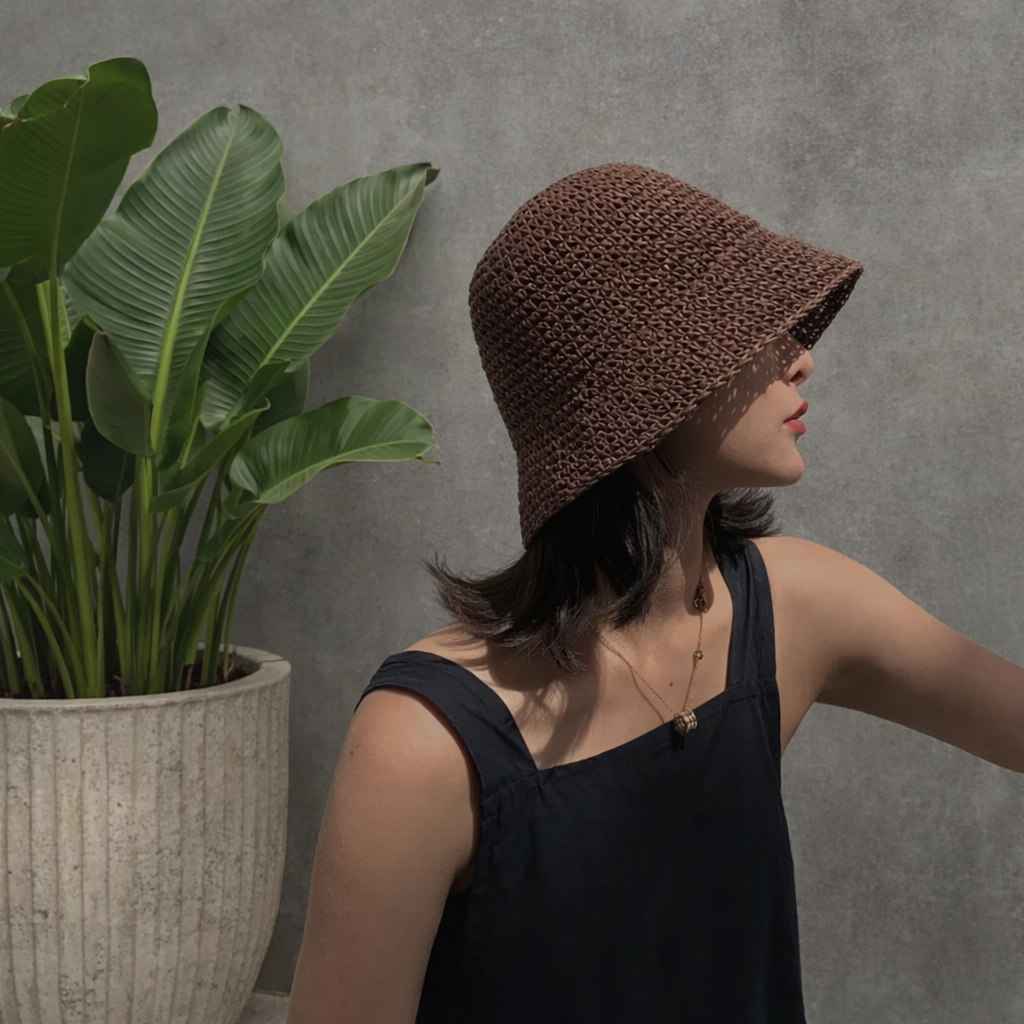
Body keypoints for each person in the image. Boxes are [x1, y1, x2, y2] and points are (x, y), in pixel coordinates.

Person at [287, 164, 1024, 1024]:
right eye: (745, 321)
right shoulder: (423, 743)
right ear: (642, 387)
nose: (801, 354)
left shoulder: (794, 606)